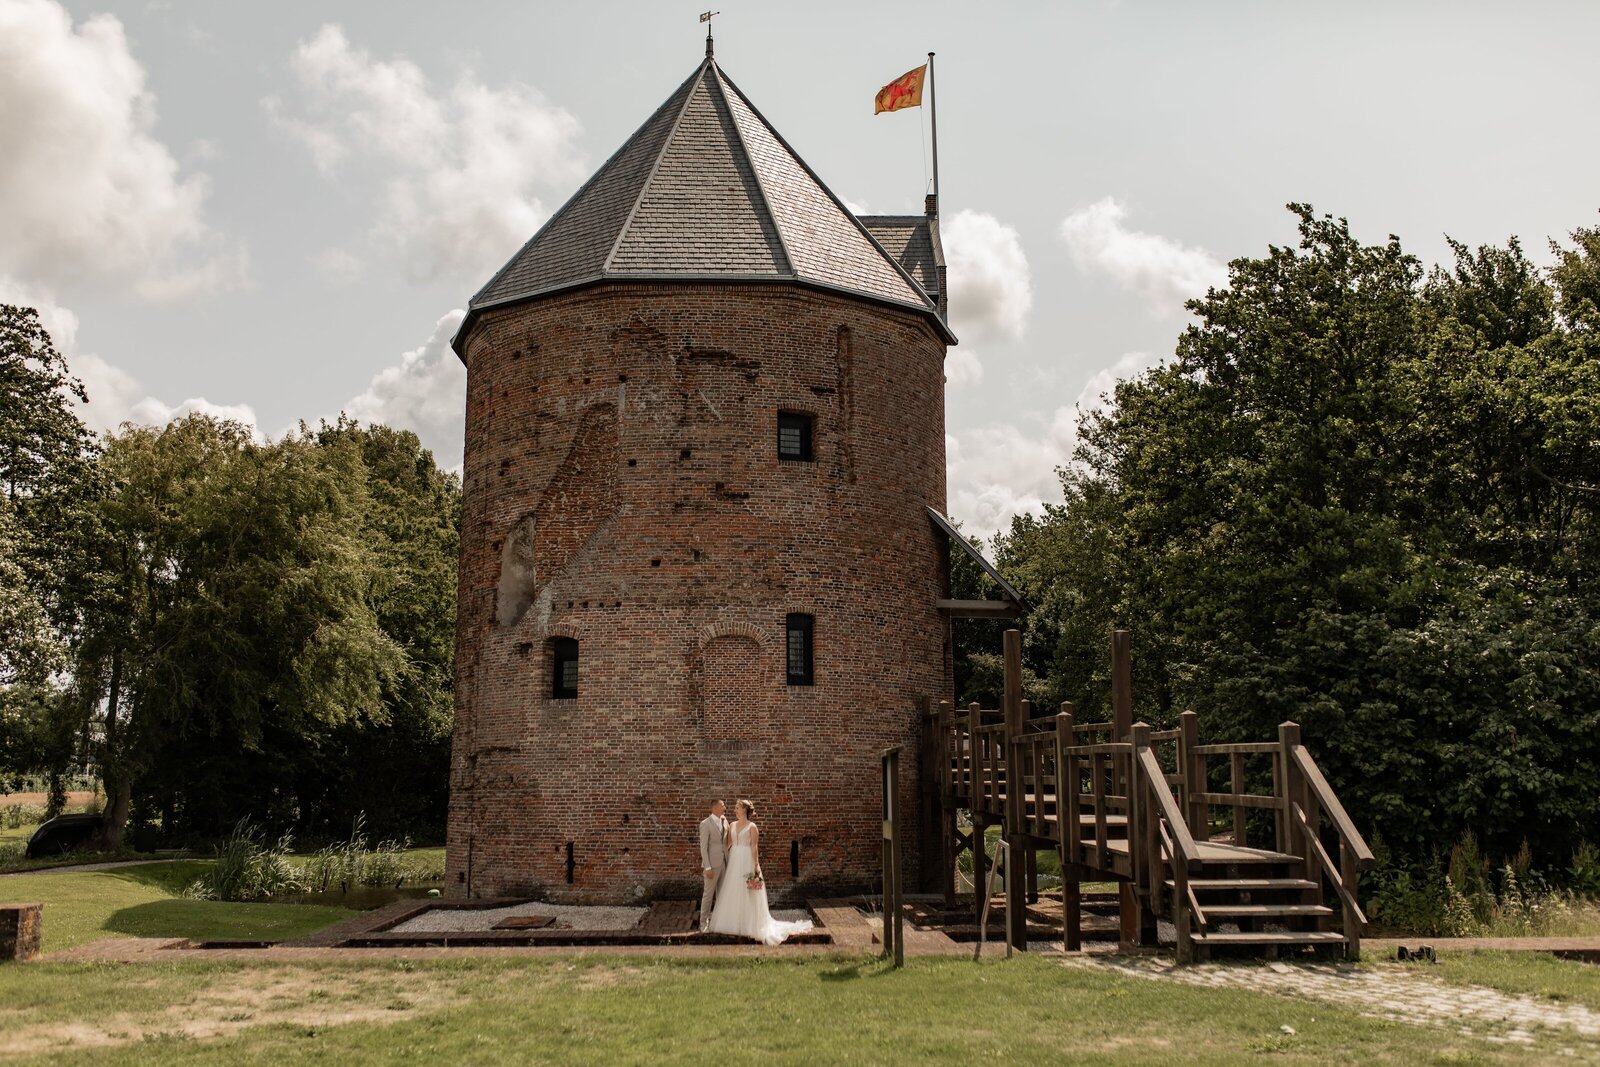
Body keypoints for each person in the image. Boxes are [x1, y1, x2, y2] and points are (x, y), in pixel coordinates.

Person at [706, 798, 814, 945]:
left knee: (750, 892)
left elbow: (754, 847)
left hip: (747, 860)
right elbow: (728, 844)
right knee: (734, 890)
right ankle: (734, 922)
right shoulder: (731, 824)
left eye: (737, 807)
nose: (734, 810)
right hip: (734, 861)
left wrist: (756, 865)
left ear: (744, 810)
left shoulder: (752, 827)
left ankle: (751, 924)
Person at [698, 798, 728, 933]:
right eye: (722, 805)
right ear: (715, 808)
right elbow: (703, 848)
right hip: (712, 865)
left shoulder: (725, 821)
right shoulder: (705, 824)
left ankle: (718, 922)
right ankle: (703, 923)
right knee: (708, 894)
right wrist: (707, 867)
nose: (725, 807)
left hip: (724, 863)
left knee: (721, 894)